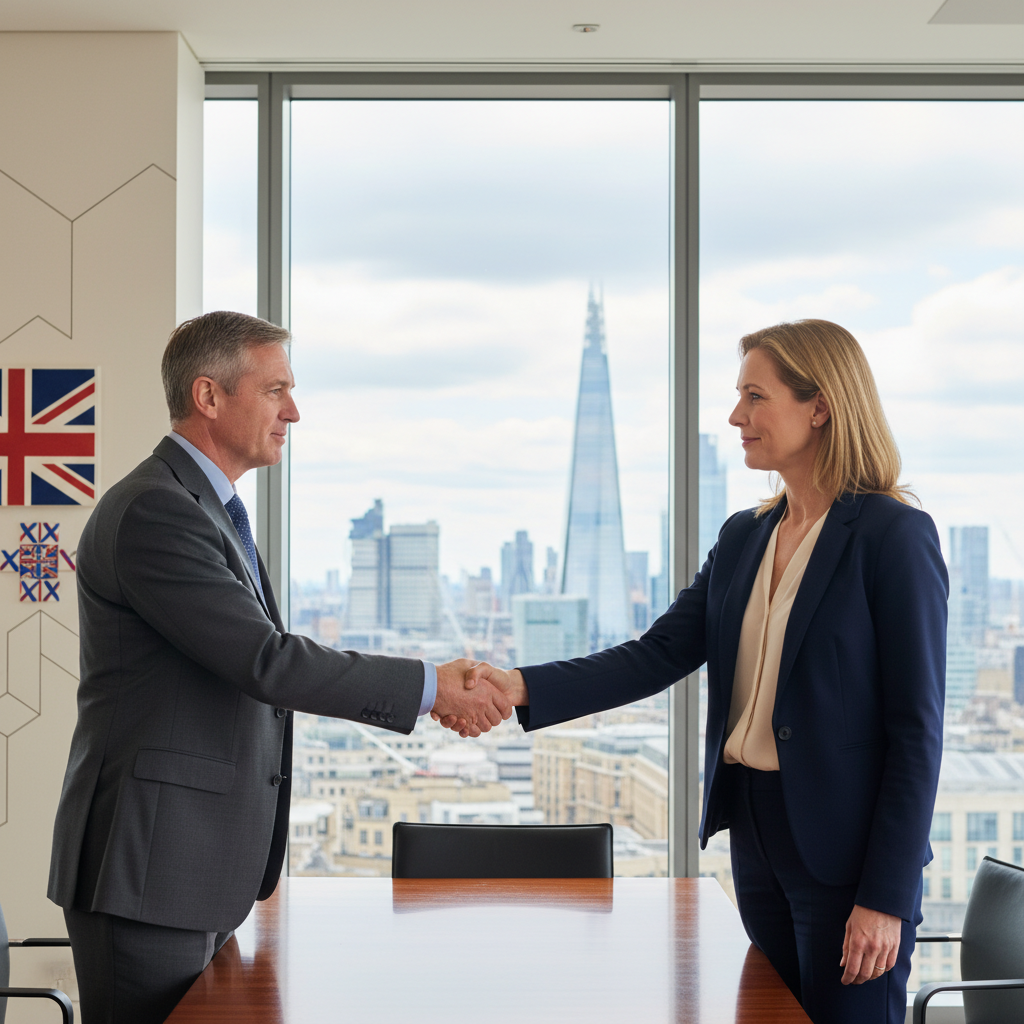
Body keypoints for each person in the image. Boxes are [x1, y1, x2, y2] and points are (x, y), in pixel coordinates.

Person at [452, 319, 947, 1024]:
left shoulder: (892, 536)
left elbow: (916, 731)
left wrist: (887, 896)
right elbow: (656, 654)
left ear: (821, 405)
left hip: (847, 853)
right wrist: (520, 686)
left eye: (755, 396)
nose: (735, 416)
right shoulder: (746, 535)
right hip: (756, 834)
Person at [47, 311, 512, 1024]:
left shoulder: (205, 506)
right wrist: (431, 687)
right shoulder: (156, 511)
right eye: (275, 390)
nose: (293, 410)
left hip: (188, 868)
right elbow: (265, 660)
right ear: (209, 396)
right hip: (147, 867)